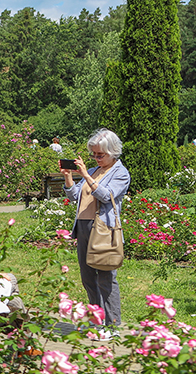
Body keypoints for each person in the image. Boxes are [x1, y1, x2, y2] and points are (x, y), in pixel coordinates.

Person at [61, 128, 131, 335]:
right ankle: (96, 319)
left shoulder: (120, 173)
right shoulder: (92, 171)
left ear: (113, 152)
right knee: (88, 277)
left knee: (106, 277)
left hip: (103, 228)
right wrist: (69, 177)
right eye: (94, 154)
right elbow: (75, 196)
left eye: (100, 154)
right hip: (83, 227)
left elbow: (105, 195)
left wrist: (85, 175)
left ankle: (113, 325)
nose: (96, 158)